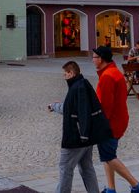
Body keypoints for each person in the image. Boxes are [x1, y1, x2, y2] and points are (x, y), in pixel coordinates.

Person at [48, 60, 111, 193]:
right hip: (87, 136)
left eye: (65, 74)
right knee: (86, 167)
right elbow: (73, 107)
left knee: (65, 167)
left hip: (76, 137)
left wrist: (54, 106)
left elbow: (75, 110)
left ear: (71, 73)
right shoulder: (83, 84)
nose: (63, 76)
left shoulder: (77, 88)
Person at [91, 46, 139, 193]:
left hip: (111, 123)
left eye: (94, 57)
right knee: (108, 155)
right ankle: (110, 188)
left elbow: (105, 106)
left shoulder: (107, 77)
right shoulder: (114, 72)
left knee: (108, 156)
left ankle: (136, 185)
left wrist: (99, 124)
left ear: (101, 59)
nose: (92, 60)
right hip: (119, 119)